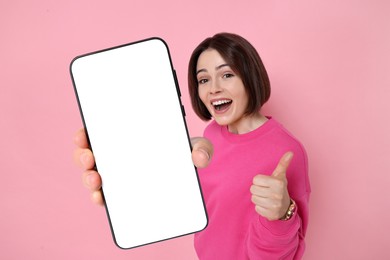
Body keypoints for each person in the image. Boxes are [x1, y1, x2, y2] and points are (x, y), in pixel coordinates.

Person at [73, 32, 310, 260]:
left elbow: (285, 253)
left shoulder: (286, 151)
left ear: (250, 77)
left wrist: (282, 215)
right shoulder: (211, 135)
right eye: (204, 79)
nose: (213, 88)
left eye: (227, 74)